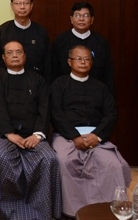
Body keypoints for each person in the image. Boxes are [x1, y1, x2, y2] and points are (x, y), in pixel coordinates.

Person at [50, 45, 131, 218]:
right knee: (63, 161)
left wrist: (97, 135)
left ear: (92, 63)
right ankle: (72, 212)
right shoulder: (59, 84)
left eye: (87, 59)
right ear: (69, 62)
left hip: (96, 136)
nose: (83, 62)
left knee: (113, 164)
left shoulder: (100, 87)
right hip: (67, 136)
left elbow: (111, 114)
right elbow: (56, 113)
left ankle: (107, 209)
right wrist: (74, 136)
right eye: (78, 58)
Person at [0, 41, 61, 220]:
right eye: (10, 53)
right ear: (3, 58)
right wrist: (9, 133)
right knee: (1, 157)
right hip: (4, 135)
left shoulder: (38, 80)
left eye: (18, 52)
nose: (14, 55)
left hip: (32, 135)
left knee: (48, 158)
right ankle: (10, 211)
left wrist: (38, 135)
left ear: (25, 56)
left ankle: (41, 211)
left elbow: (45, 109)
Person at [51, 2, 114, 92]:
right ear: (71, 19)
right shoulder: (60, 41)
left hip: (95, 92)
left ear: (92, 20)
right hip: (66, 91)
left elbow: (108, 73)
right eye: (77, 15)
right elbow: (54, 71)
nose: (81, 19)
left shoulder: (101, 42)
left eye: (85, 15)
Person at [0, 0, 50, 79]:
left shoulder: (41, 32)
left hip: (34, 83)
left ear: (31, 6)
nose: (22, 7)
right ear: (12, 6)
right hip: (6, 82)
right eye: (18, 3)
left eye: (26, 3)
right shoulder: (2, 31)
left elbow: (47, 63)